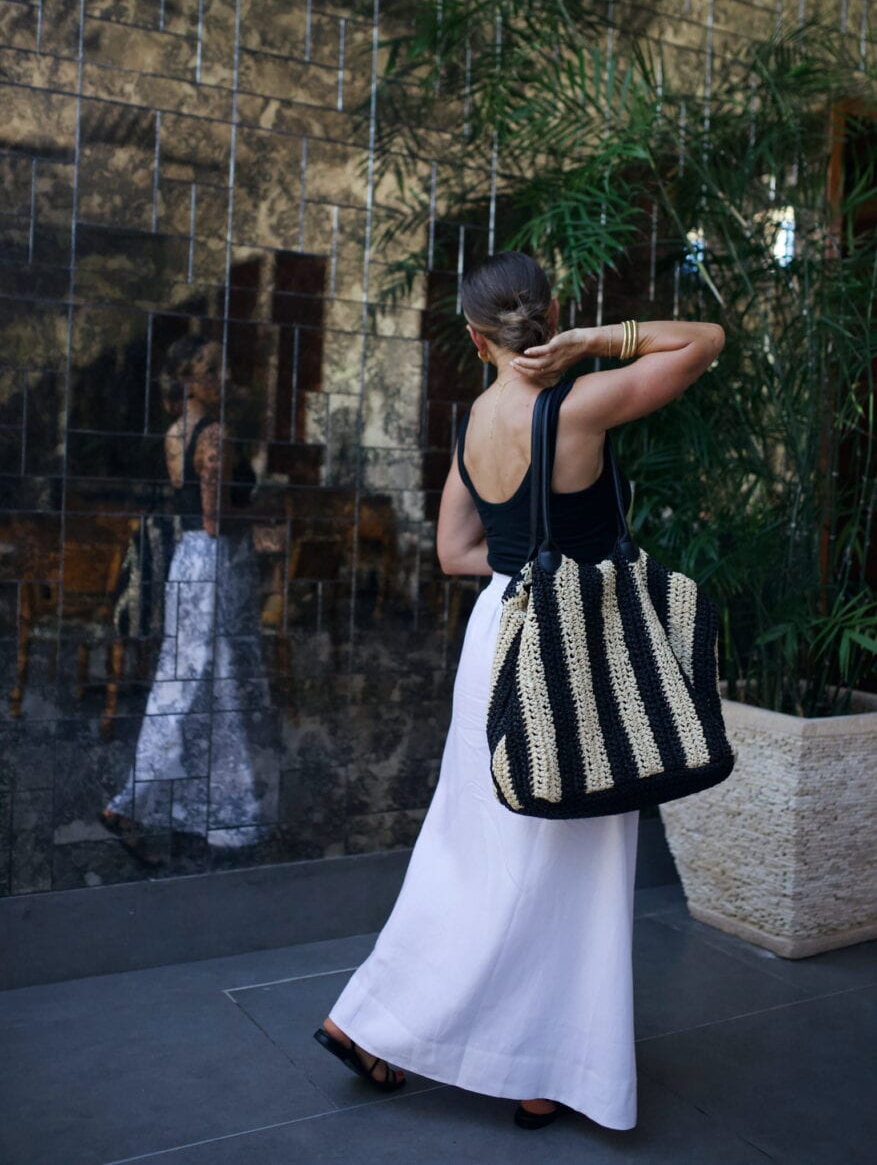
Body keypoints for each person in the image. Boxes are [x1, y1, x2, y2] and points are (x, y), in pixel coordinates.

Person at [313, 250, 725, 1131]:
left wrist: (514, 569)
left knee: (472, 849)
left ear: (474, 337)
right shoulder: (577, 406)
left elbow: (455, 552)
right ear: (553, 314)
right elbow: (703, 342)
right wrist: (594, 341)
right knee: (573, 864)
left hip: (497, 634)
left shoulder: (473, 421)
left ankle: (386, 1022)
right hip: (576, 645)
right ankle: (542, 1065)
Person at [100, 334, 278, 858]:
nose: (223, 379)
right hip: (216, 563)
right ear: (189, 379)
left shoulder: (176, 431)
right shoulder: (216, 434)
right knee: (200, 680)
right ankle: (130, 802)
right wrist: (266, 518)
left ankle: (197, 803)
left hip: (191, 562)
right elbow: (215, 519)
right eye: (212, 369)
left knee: (198, 679)